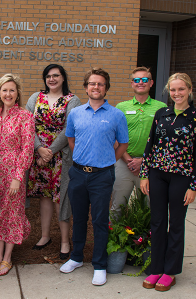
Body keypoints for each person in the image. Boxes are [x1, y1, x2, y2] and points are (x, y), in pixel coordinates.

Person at [60, 68, 128, 286]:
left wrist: (108, 160)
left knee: (99, 220)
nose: (95, 87)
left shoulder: (116, 115)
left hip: (102, 176)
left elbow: (123, 144)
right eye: (92, 83)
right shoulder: (76, 113)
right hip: (78, 173)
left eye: (100, 84)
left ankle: (99, 265)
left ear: (106, 87)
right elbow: (71, 140)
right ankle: (77, 258)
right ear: (86, 87)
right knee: (78, 217)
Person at [140, 73, 196, 292]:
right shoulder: (161, 113)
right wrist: (145, 174)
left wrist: (193, 186)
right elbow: (150, 145)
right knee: (157, 221)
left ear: (189, 90)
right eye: (173, 90)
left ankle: (170, 271)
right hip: (157, 174)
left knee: (176, 223)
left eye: (181, 89)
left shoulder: (193, 116)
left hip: (181, 177)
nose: (177, 94)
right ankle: (156, 268)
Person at [26, 64, 81, 259]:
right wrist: (39, 149)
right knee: (44, 196)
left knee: (61, 197)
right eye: (48, 76)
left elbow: (70, 128)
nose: (52, 79)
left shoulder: (72, 100)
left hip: (61, 156)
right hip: (39, 154)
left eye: (56, 75)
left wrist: (49, 151)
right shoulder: (35, 98)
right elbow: (27, 124)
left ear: (63, 78)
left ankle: (65, 241)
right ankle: (45, 236)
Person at [0, 74, 34, 276]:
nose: (8, 94)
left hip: (14, 171)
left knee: (12, 214)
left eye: (12, 90)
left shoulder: (24, 115)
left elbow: (27, 148)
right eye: (4, 90)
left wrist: (17, 176)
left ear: (17, 93)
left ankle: (7, 258)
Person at [111, 67, 167, 216]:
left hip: (150, 166)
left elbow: (162, 140)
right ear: (132, 83)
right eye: (137, 80)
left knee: (149, 208)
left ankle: (148, 240)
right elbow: (115, 137)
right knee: (118, 207)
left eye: (144, 79)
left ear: (151, 83)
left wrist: (143, 161)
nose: (140, 82)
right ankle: (115, 239)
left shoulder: (161, 108)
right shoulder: (121, 107)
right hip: (124, 164)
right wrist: (129, 160)